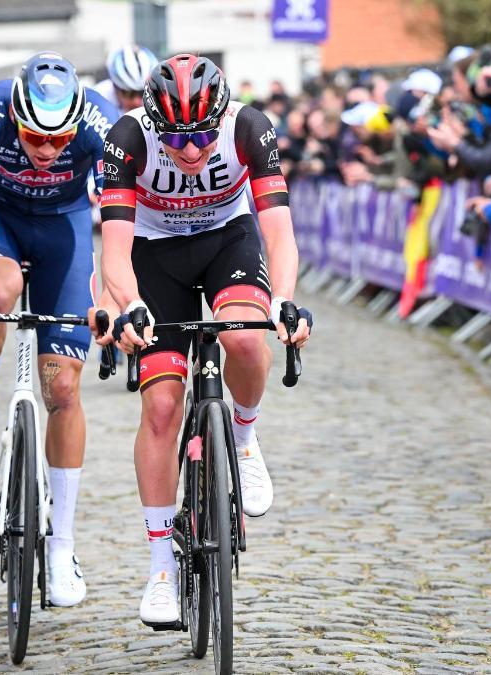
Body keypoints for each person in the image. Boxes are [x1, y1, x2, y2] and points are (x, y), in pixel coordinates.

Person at [96, 54, 310, 625]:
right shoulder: (126, 139)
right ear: (153, 124)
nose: (190, 151)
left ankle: (244, 436)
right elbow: (113, 252)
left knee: (244, 340)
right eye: (175, 138)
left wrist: (285, 300)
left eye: (201, 136)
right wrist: (130, 305)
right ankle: (161, 567)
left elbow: (279, 234)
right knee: (162, 408)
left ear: (220, 120)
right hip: (154, 254)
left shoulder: (249, 127)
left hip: (227, 241)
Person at [0, 52, 119, 608]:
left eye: (61, 141)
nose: (48, 151)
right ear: (16, 116)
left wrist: (113, 299)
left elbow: (119, 222)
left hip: (65, 226)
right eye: (36, 138)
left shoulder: (101, 123)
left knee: (63, 389)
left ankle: (62, 546)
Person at [93, 45, 160, 115]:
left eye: (144, 92)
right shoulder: (98, 98)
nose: (136, 102)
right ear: (115, 87)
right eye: (129, 94)